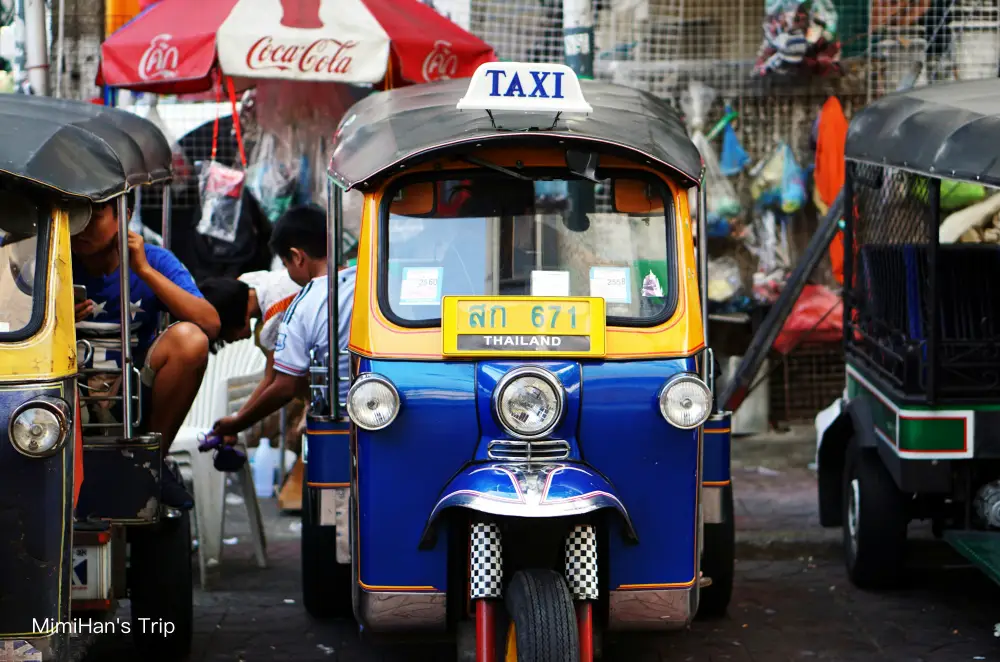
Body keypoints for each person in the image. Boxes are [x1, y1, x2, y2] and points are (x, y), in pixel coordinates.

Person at [73, 197, 221, 509]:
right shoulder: (47, 262)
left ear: (123, 216)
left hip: (132, 393)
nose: (82, 227)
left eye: (93, 216)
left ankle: (153, 460)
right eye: (75, 216)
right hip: (62, 395)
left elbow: (209, 324)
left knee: (190, 340)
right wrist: (56, 320)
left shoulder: (154, 260)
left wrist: (142, 269)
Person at [211, 204, 355, 438]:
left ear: (297, 257)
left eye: (286, 264)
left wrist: (238, 423)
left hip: (340, 423)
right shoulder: (367, 280)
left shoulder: (302, 307)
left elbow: (284, 386)